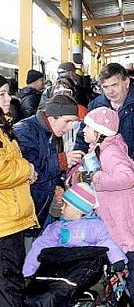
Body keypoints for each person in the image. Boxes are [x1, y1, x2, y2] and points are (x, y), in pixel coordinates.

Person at [74, 63, 134, 269]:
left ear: (126, 81)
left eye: (114, 85)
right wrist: (79, 158)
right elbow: (84, 135)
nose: (110, 91)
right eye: (105, 87)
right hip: (109, 187)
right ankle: (120, 279)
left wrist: (125, 170)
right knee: (114, 232)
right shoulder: (97, 103)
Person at [81, 107, 134, 307]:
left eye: (87, 127)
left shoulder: (111, 152)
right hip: (114, 222)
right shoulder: (100, 150)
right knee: (123, 276)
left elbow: (127, 177)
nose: (83, 130)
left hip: (125, 225)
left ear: (99, 132)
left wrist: (97, 178)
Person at [22, 183, 127, 276]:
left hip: (86, 271)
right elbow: (41, 245)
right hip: (59, 270)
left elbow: (106, 241)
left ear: (78, 210)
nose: (61, 208)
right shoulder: (57, 227)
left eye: (66, 205)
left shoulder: (94, 226)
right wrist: (29, 271)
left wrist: (117, 259)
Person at [14, 94, 81, 233]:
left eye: (73, 123)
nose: (70, 128)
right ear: (52, 117)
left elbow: (52, 166)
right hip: (25, 212)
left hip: (43, 207)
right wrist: (62, 160)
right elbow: (30, 171)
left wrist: (58, 185)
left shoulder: (53, 132)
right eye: (67, 121)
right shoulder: (24, 131)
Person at [0, 91, 38, 307]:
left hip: (10, 220)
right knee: (9, 288)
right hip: (4, 225)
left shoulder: (5, 127)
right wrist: (28, 169)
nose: (9, 99)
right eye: (1, 94)